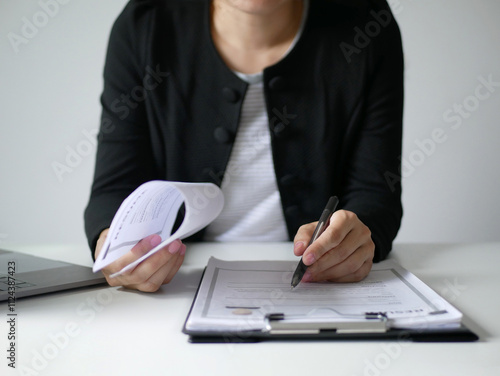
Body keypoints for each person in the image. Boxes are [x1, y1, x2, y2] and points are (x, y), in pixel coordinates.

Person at [84, 0, 404, 292]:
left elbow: (376, 195)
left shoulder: (367, 24)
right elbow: (114, 190)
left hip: (317, 289)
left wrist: (357, 239)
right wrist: (114, 248)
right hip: (179, 287)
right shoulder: (145, 25)